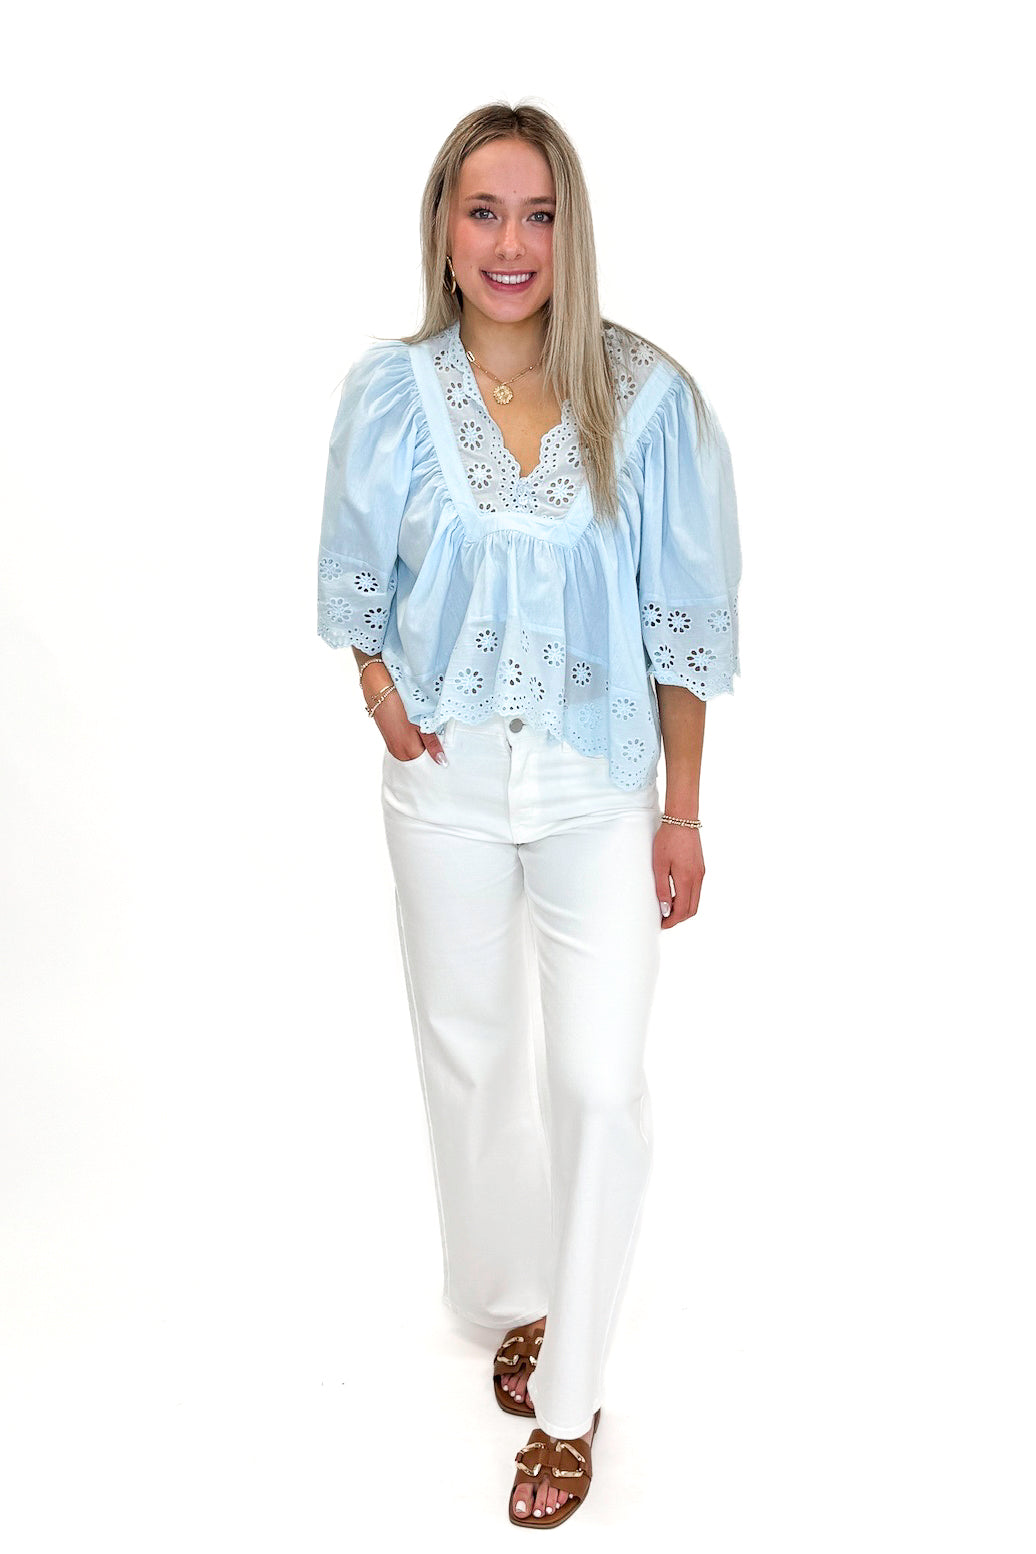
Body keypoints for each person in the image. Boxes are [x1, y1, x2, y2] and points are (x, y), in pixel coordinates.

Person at [316, 100, 742, 1527]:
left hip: (594, 787)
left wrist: (683, 810)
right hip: (438, 786)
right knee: (470, 1053)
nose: (512, 243)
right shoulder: (389, 395)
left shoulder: (647, 399)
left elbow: (681, 624)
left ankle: (572, 1399)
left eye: (540, 213)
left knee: (603, 1083)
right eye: (485, 211)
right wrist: (380, 688)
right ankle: (511, 1297)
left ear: (574, 234)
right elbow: (355, 573)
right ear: (443, 229)